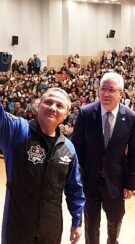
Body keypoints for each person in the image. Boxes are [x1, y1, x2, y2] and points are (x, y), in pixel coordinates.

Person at [0, 88, 85, 243]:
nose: (53, 107)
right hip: (18, 224)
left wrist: (77, 222)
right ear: (38, 105)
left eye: (59, 105)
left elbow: (75, 189)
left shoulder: (68, 148)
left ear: (66, 114)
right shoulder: (17, 130)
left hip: (51, 226)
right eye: (48, 102)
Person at [72, 72, 135, 244]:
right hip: (89, 180)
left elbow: (133, 152)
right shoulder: (86, 113)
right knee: (91, 224)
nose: (105, 94)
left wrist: (130, 183)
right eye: (103, 89)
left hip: (116, 181)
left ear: (121, 93)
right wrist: (77, 177)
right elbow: (76, 147)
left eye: (111, 90)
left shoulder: (132, 118)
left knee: (115, 220)